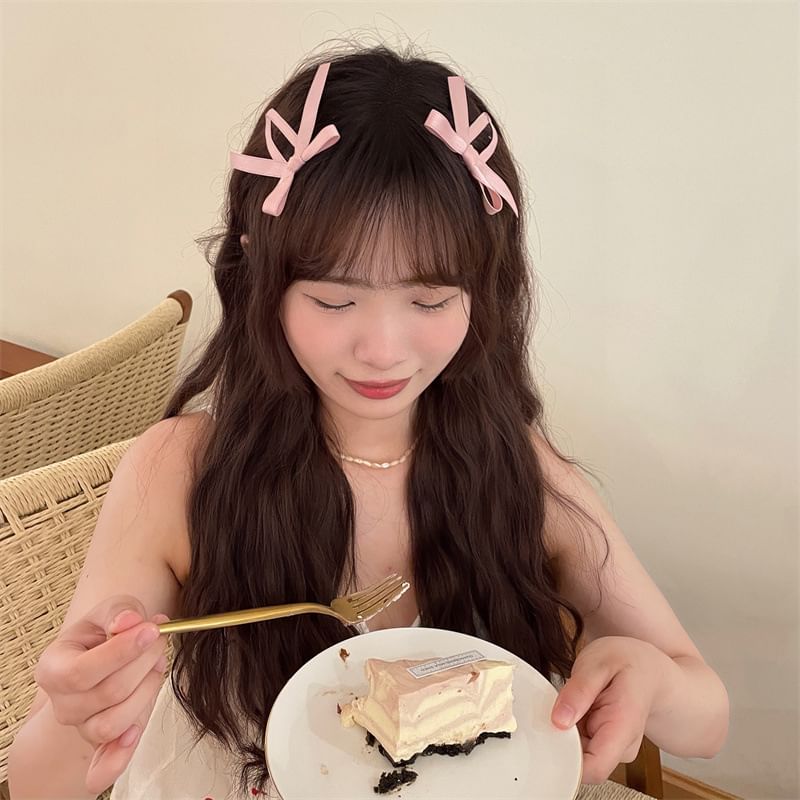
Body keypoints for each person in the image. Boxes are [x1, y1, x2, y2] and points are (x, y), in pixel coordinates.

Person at [8, 44, 729, 800]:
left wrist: (651, 680)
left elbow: (705, 721)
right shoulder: (180, 472)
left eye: (429, 300)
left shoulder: (518, 468)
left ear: (483, 290)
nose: (383, 350)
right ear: (261, 280)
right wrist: (81, 713)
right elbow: (33, 785)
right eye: (334, 300)